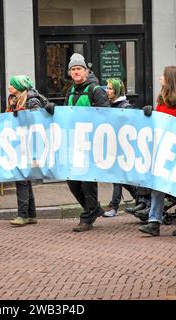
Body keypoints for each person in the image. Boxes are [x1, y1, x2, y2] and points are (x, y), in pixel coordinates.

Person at [138, 66, 176, 237]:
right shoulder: (163, 99)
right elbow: (159, 122)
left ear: (170, 79)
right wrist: (150, 114)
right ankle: (154, 222)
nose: (160, 78)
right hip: (163, 148)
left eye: (163, 76)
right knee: (158, 185)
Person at [0, 75, 49, 226]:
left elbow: (37, 121)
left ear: (20, 86)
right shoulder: (13, 99)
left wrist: (24, 116)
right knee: (24, 178)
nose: (9, 87)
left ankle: (22, 215)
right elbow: (10, 118)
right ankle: (31, 214)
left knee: (21, 177)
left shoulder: (31, 100)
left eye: (12, 85)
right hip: (18, 143)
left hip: (27, 144)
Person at [63, 53, 110, 232]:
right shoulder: (71, 91)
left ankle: (88, 217)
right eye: (73, 69)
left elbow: (107, 115)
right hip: (75, 142)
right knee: (72, 180)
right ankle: (94, 208)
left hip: (92, 143)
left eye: (78, 69)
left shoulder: (96, 90)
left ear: (85, 71)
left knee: (88, 181)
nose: (76, 72)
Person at [103, 78, 138, 217]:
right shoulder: (109, 105)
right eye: (107, 88)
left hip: (122, 147)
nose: (107, 91)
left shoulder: (124, 107)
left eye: (110, 88)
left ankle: (114, 206)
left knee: (117, 176)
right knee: (120, 177)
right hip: (114, 145)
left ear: (117, 90)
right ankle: (138, 197)